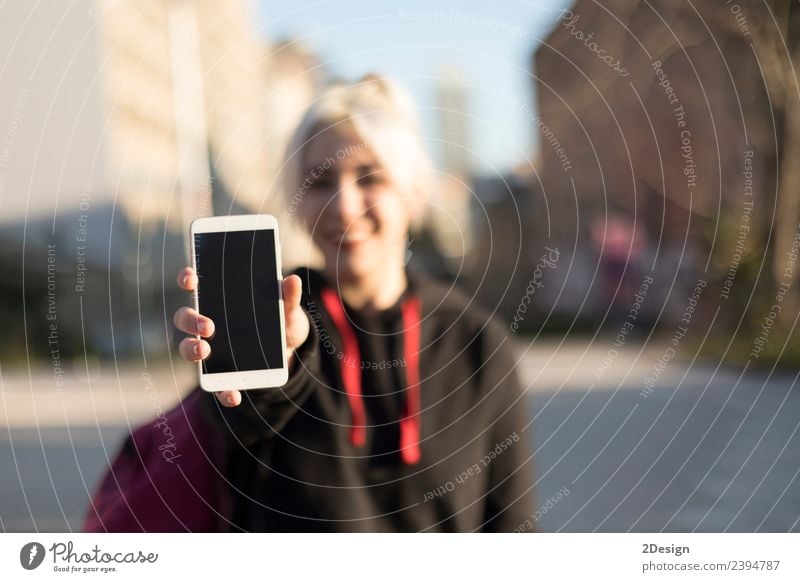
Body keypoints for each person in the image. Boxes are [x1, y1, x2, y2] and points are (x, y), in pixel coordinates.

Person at [84, 74, 535, 532]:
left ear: (412, 192)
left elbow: (512, 527)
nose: (343, 204)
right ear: (296, 203)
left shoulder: (476, 341)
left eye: (370, 177)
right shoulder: (276, 312)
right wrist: (278, 366)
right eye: (320, 182)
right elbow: (242, 421)